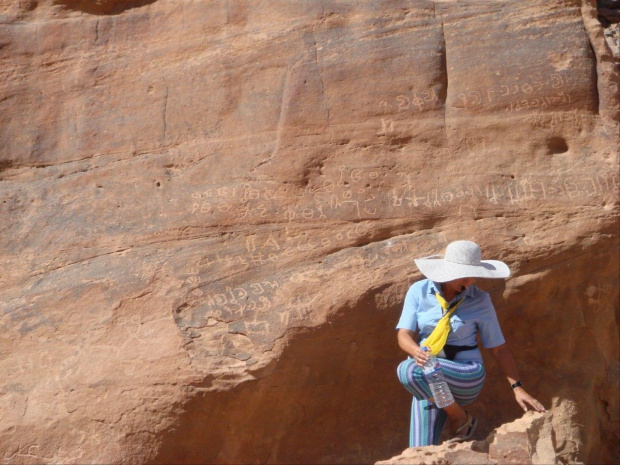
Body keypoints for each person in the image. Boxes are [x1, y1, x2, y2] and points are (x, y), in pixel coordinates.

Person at [396, 240, 545, 446]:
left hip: (465, 375)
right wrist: (415, 350)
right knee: (419, 449)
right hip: (427, 376)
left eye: (474, 274)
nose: (471, 280)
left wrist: (517, 387)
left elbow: (499, 349)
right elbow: (403, 334)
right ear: (448, 272)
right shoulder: (419, 291)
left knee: (408, 370)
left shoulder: (480, 299)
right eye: (465, 275)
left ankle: (459, 417)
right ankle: (455, 414)